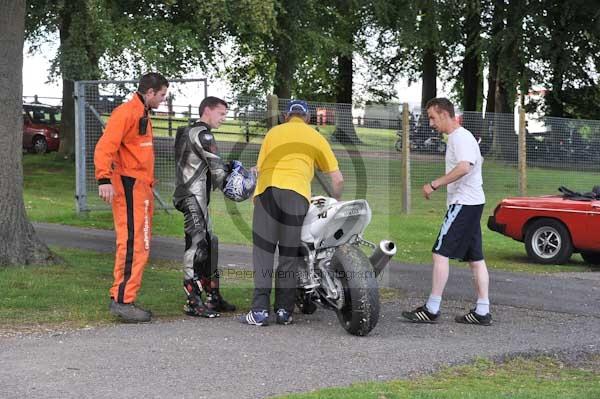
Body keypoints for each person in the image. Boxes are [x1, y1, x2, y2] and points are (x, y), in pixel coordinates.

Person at [243, 100, 344, 326]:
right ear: (307, 118)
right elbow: (338, 179)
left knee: (264, 253)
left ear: (286, 116)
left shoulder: (273, 133)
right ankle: (284, 311)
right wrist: (336, 201)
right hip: (297, 195)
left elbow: (258, 169)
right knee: (289, 254)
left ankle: (259, 311)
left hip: (267, 192)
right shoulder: (316, 137)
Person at [401, 97, 492, 326]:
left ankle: (432, 308)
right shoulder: (462, 137)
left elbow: (465, 166)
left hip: (464, 203)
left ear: (444, 114)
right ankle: (482, 311)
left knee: (440, 253)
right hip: (473, 202)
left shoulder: (459, 137)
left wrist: (435, 184)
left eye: (432, 117)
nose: (431, 123)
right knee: (476, 258)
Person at [94, 72, 169, 323]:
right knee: (133, 244)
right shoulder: (126, 113)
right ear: (149, 93)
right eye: (161, 95)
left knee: (140, 244)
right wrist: (103, 178)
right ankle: (123, 301)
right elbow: (106, 146)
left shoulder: (142, 114)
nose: (163, 100)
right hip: (128, 185)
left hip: (140, 187)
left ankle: (122, 296)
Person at [173, 96, 238, 318]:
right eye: (221, 114)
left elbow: (204, 164)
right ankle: (192, 300)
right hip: (193, 196)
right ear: (207, 111)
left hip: (192, 195)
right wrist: (244, 181)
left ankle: (212, 295)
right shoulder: (203, 134)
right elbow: (218, 171)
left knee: (210, 242)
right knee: (196, 243)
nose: (224, 118)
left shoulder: (187, 131)